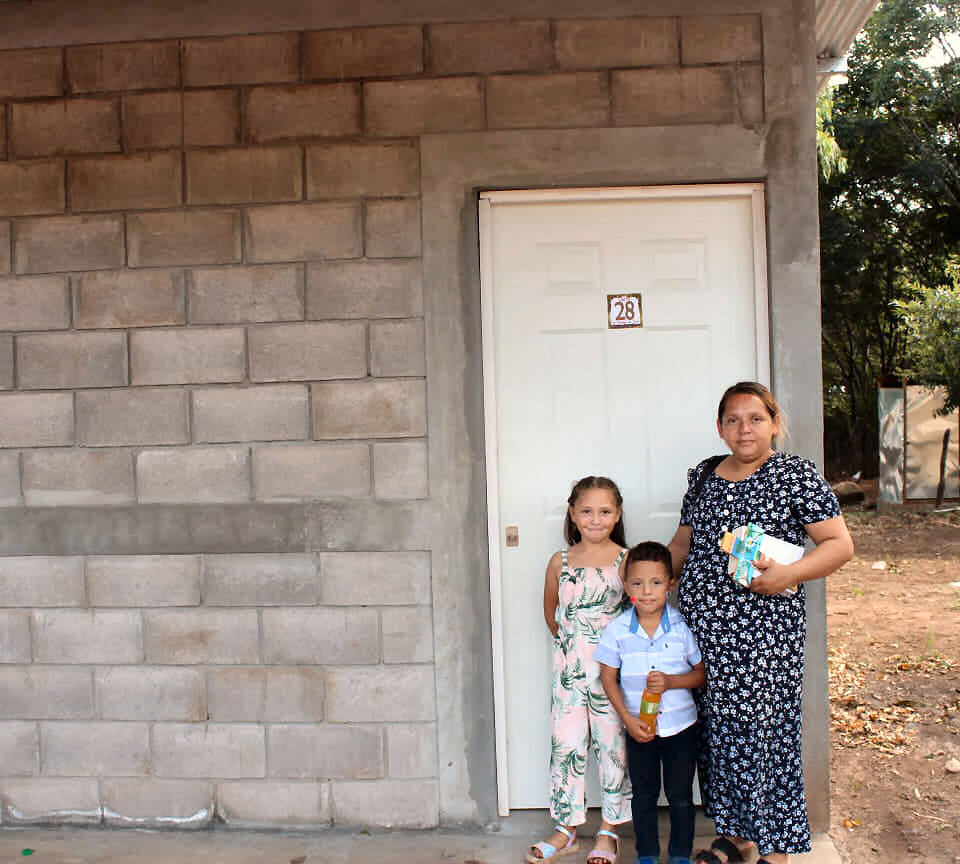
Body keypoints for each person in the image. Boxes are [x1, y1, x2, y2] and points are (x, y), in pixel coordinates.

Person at [667, 382, 854, 864]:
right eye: (733, 420)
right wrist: (648, 580)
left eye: (755, 418)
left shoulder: (794, 474)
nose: (744, 429)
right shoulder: (704, 475)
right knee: (718, 735)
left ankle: (775, 849)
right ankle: (737, 836)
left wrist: (789, 574)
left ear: (774, 423)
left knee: (763, 734)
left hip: (765, 634)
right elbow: (684, 544)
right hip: (704, 635)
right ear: (720, 427)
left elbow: (839, 545)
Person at [526, 476, 632, 864]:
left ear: (617, 515)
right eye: (586, 511)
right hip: (569, 674)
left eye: (604, 511)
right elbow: (552, 614)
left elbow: (638, 614)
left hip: (612, 676)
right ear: (573, 513)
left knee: (613, 748)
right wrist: (575, 650)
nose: (595, 519)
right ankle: (566, 828)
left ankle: (610, 829)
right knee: (567, 746)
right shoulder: (561, 561)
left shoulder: (626, 560)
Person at [596, 541, 706, 864]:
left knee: (680, 796)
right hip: (639, 728)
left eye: (656, 582)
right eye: (638, 583)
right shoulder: (618, 631)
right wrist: (628, 720)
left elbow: (700, 674)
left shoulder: (682, 628)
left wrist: (672, 682)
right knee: (643, 795)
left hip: (680, 728)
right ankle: (646, 854)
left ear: (670, 584)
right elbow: (607, 678)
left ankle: (680, 854)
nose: (647, 592)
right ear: (626, 585)